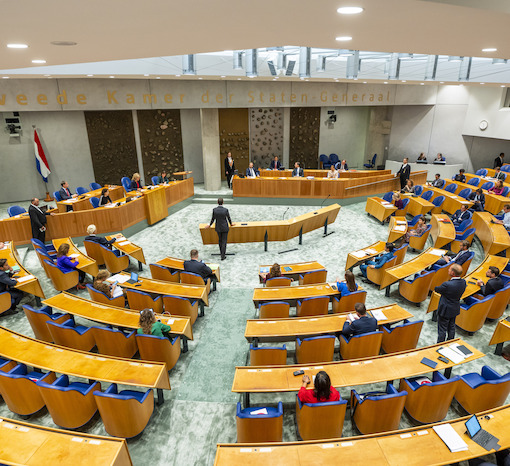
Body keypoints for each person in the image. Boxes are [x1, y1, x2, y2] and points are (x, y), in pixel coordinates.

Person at [435, 264, 466, 343]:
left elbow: (437, 289)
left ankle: (439, 345)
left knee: (442, 329)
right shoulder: (463, 282)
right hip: (454, 308)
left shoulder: (447, 284)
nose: (448, 270)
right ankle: (449, 342)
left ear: (452, 273)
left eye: (449, 269)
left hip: (445, 309)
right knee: (451, 327)